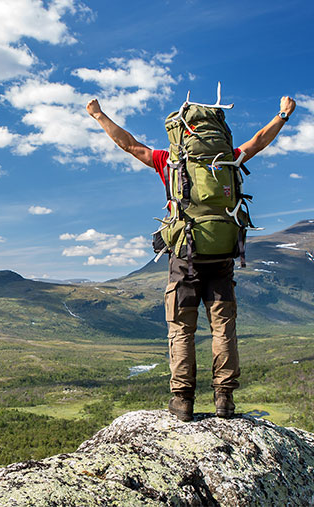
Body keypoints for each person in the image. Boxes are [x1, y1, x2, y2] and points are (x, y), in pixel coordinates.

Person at [86, 94, 296, 421]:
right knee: (223, 327)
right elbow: (257, 142)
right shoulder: (228, 160)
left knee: (181, 328)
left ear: (181, 134)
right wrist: (282, 115)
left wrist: (99, 115)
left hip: (184, 258)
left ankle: (182, 401)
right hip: (223, 257)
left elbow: (129, 144)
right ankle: (224, 399)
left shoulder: (169, 162)